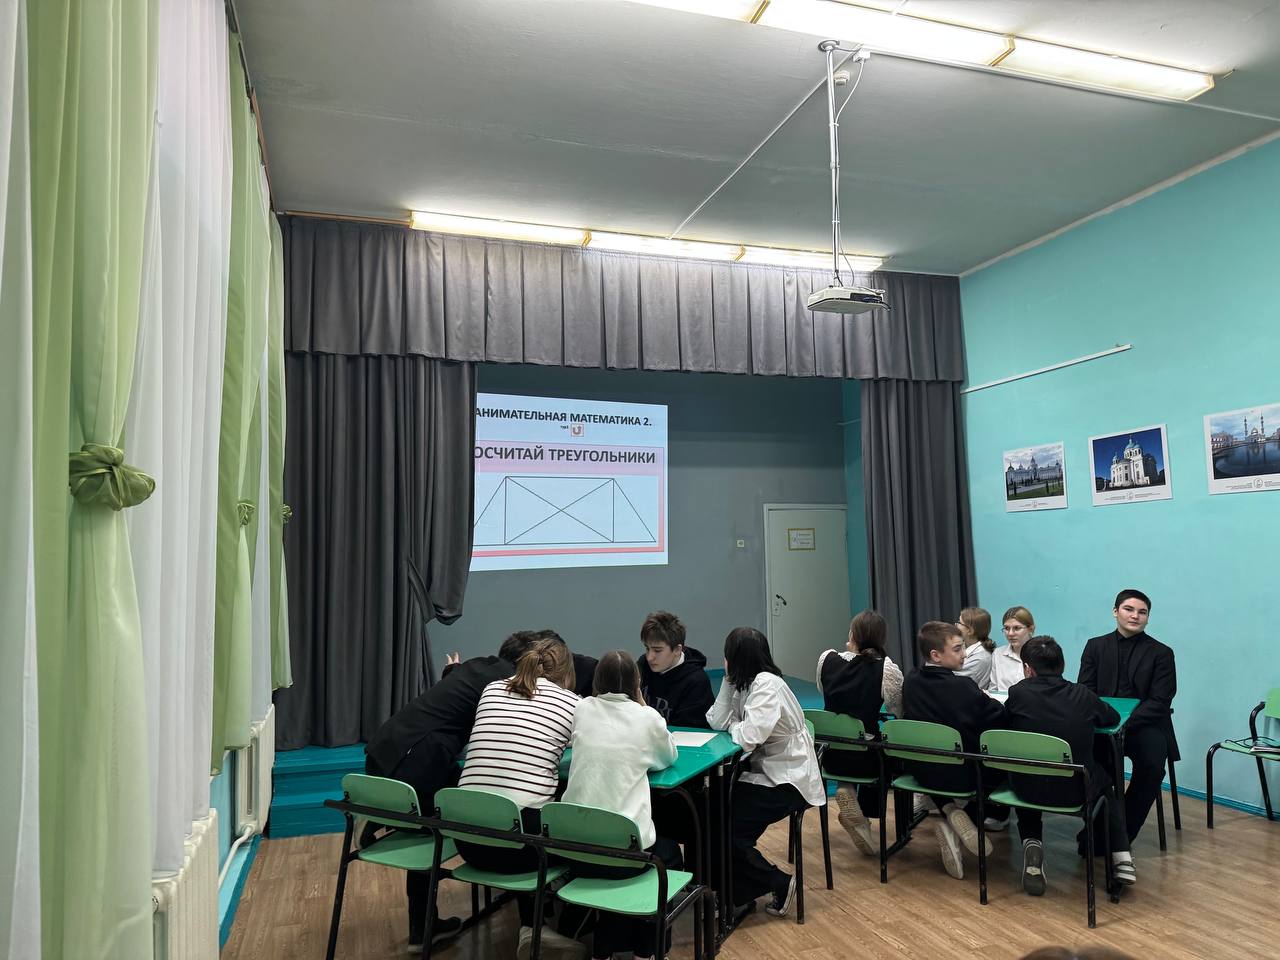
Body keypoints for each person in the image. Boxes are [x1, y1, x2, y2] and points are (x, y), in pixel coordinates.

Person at [363, 630, 539, 952]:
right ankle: (427, 927)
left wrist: (450, 670)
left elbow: (456, 687)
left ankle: (383, 820)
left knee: (439, 812)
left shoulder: (476, 667)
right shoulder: (506, 684)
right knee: (466, 813)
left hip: (383, 753)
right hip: (416, 762)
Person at [456, 639, 584, 960]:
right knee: (573, 826)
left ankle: (533, 925)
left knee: (518, 809)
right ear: (567, 674)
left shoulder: (491, 689)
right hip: (522, 852)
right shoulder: (572, 703)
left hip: (467, 841)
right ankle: (565, 925)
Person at [562, 651, 680, 960]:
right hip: (625, 855)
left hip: (574, 850)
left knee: (612, 852)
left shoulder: (582, 708)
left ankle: (604, 948)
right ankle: (648, 951)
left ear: (597, 680)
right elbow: (668, 756)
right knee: (668, 855)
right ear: (636, 683)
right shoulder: (647, 717)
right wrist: (642, 705)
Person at [707, 627, 825, 920]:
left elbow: (748, 737)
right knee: (715, 819)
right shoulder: (744, 684)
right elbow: (716, 720)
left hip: (788, 780)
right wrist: (727, 681)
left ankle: (778, 882)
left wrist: (734, 726)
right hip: (765, 772)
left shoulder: (766, 685)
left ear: (735, 658)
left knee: (729, 832)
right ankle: (735, 892)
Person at [1004, 637, 1135, 894]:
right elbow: (1111, 718)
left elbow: (1006, 718)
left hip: (1026, 790)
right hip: (1076, 791)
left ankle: (1032, 842)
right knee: (1105, 782)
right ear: (1063, 665)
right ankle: (1122, 857)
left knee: (1028, 767)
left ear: (1027, 668)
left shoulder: (1018, 693)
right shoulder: (1082, 694)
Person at [902, 621, 1006, 880]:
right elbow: (997, 715)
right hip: (961, 774)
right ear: (936, 655)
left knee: (936, 759)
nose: (964, 654)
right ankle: (963, 819)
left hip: (921, 770)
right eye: (958, 649)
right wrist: (985, 698)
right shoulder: (962, 687)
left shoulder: (911, 680)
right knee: (1001, 769)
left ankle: (950, 812)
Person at [1078, 588, 1178, 846]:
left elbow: (1160, 701)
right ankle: (1099, 829)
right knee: (1094, 767)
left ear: (1148, 618)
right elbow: (1086, 690)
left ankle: (1121, 834)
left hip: (1144, 725)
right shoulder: (1095, 646)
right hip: (1103, 725)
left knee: (1152, 766)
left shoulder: (1162, 653)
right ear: (1115, 611)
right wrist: (1107, 721)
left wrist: (1126, 723)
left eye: (1142, 612)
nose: (1135, 616)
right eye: (1129, 609)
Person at [815, 609, 903, 855]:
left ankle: (847, 791)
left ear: (852, 634)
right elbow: (898, 710)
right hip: (866, 760)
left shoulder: (826, 659)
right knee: (886, 751)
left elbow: (825, 692)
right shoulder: (886, 669)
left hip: (829, 756)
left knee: (848, 738)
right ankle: (865, 815)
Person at [638, 610, 715, 728]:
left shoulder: (696, 682)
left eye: (657, 650)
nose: (649, 657)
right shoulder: (643, 665)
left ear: (677, 650)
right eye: (647, 648)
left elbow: (687, 732)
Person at [989, 606, 1035, 693]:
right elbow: (993, 689)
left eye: (1016, 628)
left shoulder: (1041, 654)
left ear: (1030, 629)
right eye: (1006, 628)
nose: (1010, 633)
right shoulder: (998, 653)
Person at [956, 607, 994, 689]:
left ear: (970, 631)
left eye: (959, 623)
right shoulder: (963, 646)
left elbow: (953, 680)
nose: (956, 625)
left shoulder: (980, 659)